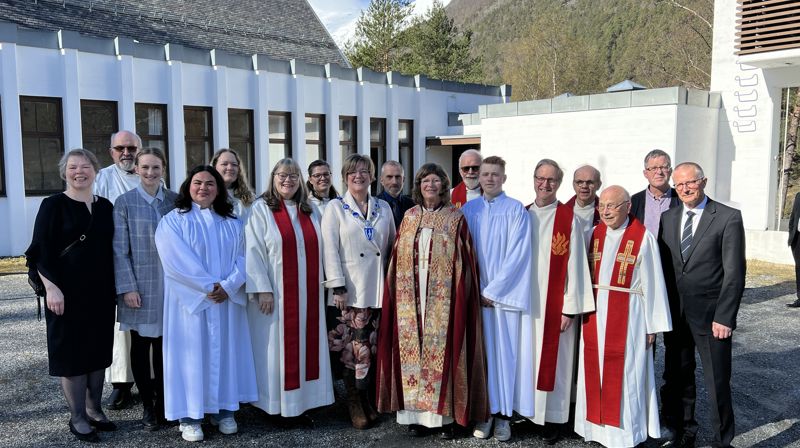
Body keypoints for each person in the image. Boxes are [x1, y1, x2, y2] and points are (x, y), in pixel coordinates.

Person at [376, 163, 489, 439]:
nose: (430, 185)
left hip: (443, 298)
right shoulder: (409, 217)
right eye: (425, 180)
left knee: (443, 351)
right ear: (418, 185)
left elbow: (466, 261)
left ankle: (444, 418)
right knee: (411, 353)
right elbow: (396, 256)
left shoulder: (455, 218)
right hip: (410, 297)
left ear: (444, 185)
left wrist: (459, 294)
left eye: (436, 181)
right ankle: (415, 417)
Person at [155, 166, 258, 442]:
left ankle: (224, 410)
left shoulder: (233, 222)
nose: (204, 188)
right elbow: (175, 261)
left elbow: (245, 257)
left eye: (210, 183)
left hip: (225, 302)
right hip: (190, 306)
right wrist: (208, 287)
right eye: (198, 182)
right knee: (191, 358)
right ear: (188, 186)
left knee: (225, 354)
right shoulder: (173, 221)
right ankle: (190, 416)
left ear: (219, 189)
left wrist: (229, 285)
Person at [26, 149, 117, 443]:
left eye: (86, 166)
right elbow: (39, 249)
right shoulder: (53, 205)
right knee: (73, 356)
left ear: (95, 170)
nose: (80, 172)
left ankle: (95, 409)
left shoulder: (105, 207)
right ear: (64, 172)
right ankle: (77, 416)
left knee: (98, 353)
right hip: (65, 294)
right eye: (73, 167)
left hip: (101, 293)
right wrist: (52, 288)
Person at [574, 185, 672, 448]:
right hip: (594, 315)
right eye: (602, 206)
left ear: (628, 206)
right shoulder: (594, 234)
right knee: (593, 369)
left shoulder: (642, 238)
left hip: (629, 316)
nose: (605, 212)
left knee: (629, 371)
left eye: (612, 206)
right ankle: (594, 429)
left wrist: (653, 325)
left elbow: (654, 282)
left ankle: (627, 435)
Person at [658, 162, 745, 448]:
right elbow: (665, 269)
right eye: (679, 184)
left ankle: (723, 440)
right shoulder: (668, 218)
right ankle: (685, 432)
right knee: (679, 376)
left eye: (690, 183)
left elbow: (734, 273)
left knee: (717, 381)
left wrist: (725, 317)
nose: (684, 189)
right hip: (676, 315)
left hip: (712, 317)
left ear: (703, 181)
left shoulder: (727, 218)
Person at [245, 159, 334, 419]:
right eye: (282, 175)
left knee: (308, 347)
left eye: (294, 176)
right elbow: (252, 250)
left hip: (309, 295)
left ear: (301, 181)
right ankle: (275, 407)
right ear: (273, 178)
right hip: (277, 297)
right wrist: (262, 289)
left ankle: (303, 405)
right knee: (275, 352)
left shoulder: (310, 210)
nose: (288, 180)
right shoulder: (260, 209)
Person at [516, 159, 595, 443]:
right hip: (526, 306)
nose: (544, 184)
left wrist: (569, 309)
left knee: (556, 364)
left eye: (551, 180)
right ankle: (527, 413)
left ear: (559, 184)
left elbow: (575, 267)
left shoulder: (567, 218)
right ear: (533, 178)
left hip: (555, 306)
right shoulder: (522, 214)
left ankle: (553, 418)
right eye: (540, 178)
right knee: (527, 361)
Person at [321, 154, 396, 429]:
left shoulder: (384, 208)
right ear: (345, 176)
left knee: (370, 348)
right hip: (349, 293)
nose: (358, 176)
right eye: (353, 172)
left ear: (372, 177)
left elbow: (389, 247)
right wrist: (337, 286)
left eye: (365, 171)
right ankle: (353, 400)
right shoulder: (335, 207)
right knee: (352, 350)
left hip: (376, 290)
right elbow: (329, 249)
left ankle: (366, 398)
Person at [462, 156, 532, 442]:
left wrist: (493, 292)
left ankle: (504, 416)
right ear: (478, 177)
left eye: (495, 174)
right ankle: (485, 413)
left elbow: (519, 254)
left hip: (502, 301)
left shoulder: (516, 210)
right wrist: (473, 289)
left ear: (504, 177)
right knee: (482, 357)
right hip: (475, 298)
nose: (489, 178)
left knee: (505, 356)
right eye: (485, 173)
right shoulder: (468, 210)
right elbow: (462, 254)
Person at [112, 148, 178, 431]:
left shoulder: (175, 200)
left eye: (156, 167)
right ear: (136, 169)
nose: (150, 173)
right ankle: (148, 406)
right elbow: (119, 250)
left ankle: (165, 403)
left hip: (172, 286)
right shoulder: (124, 202)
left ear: (164, 168)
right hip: (139, 285)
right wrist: (127, 287)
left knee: (166, 347)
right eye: (145, 167)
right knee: (140, 346)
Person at [95, 130, 141, 410]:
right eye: (120, 148)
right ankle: (122, 384)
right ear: (111, 151)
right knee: (121, 326)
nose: (126, 153)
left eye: (131, 148)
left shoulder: (151, 173)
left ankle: (151, 380)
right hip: (116, 258)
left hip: (149, 260)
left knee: (149, 323)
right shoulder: (102, 178)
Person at [630, 149, 680, 237]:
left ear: (670, 171)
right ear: (645, 173)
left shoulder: (681, 198)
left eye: (663, 167)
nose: (659, 172)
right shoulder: (633, 201)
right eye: (653, 168)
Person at [212, 148, 255, 219]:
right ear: (214, 167)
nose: (230, 168)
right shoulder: (208, 196)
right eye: (224, 164)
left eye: (234, 164)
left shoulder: (250, 198)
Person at [376, 160, 415, 228]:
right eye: (389, 177)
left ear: (403, 180)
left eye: (398, 177)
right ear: (381, 180)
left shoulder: (412, 205)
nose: (394, 182)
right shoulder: (374, 205)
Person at [566, 164, 602, 234]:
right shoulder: (562, 211)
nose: (584, 186)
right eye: (579, 182)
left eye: (590, 182)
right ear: (573, 184)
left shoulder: (606, 213)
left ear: (599, 185)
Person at [786, 192, 800, 307]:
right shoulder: (799, 195)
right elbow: (793, 216)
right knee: (799, 268)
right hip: (797, 238)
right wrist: (791, 233)